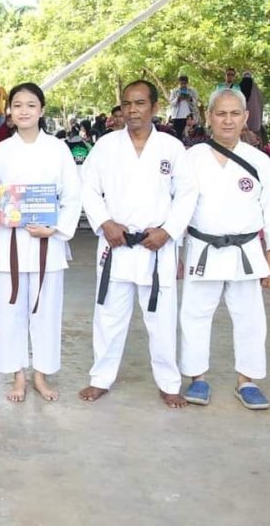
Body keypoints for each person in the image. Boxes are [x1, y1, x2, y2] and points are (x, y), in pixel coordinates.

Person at [78, 80, 197, 408]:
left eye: (140, 103)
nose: (133, 110)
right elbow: (88, 188)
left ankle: (169, 383)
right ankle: (100, 379)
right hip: (116, 243)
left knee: (161, 318)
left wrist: (169, 231)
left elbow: (187, 194)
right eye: (127, 103)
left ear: (154, 108)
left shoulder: (171, 148)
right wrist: (104, 222)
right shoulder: (106, 145)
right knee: (108, 317)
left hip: (156, 245)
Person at [179, 88, 270, 409]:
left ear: (245, 118)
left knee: (250, 318)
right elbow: (178, 207)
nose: (227, 120)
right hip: (201, 247)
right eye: (220, 113)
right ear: (208, 117)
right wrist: (174, 254)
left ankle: (246, 380)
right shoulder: (192, 158)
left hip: (245, 251)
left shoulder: (259, 161)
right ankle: (198, 378)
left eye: (234, 113)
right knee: (195, 314)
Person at [0, 83, 81, 402]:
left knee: (46, 311)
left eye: (31, 105)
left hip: (46, 242)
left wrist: (55, 229)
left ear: (42, 110)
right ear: (8, 109)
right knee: (11, 311)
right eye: (18, 104)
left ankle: (41, 375)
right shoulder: (0, 151)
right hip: (11, 241)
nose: (24, 110)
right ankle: (18, 376)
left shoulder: (58, 149)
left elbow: (72, 196)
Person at [169, 75, 199, 139]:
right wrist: (178, 99)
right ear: (179, 83)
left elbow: (196, 102)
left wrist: (190, 99)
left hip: (189, 116)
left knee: (189, 134)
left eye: (184, 83)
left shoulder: (191, 91)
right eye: (181, 83)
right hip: (177, 117)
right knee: (178, 135)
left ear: (187, 83)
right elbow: (171, 104)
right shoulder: (174, 91)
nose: (183, 85)